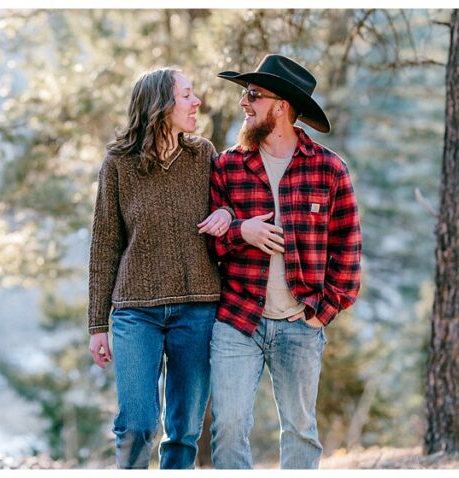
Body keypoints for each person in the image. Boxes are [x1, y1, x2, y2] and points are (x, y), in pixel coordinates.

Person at [208, 54, 362, 469]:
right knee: (229, 426)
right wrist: (242, 230)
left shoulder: (329, 169)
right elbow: (207, 244)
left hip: (300, 323)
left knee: (300, 429)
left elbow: (348, 247)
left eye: (253, 94)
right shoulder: (226, 166)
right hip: (238, 319)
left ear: (281, 107)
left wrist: (322, 311)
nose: (244, 102)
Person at [87, 68, 232, 469]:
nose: (197, 102)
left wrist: (225, 212)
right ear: (160, 105)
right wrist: (97, 325)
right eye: (187, 95)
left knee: (184, 427)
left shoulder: (203, 153)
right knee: (137, 422)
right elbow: (104, 246)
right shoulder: (118, 164)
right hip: (136, 311)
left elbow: (230, 206)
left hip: (197, 307)